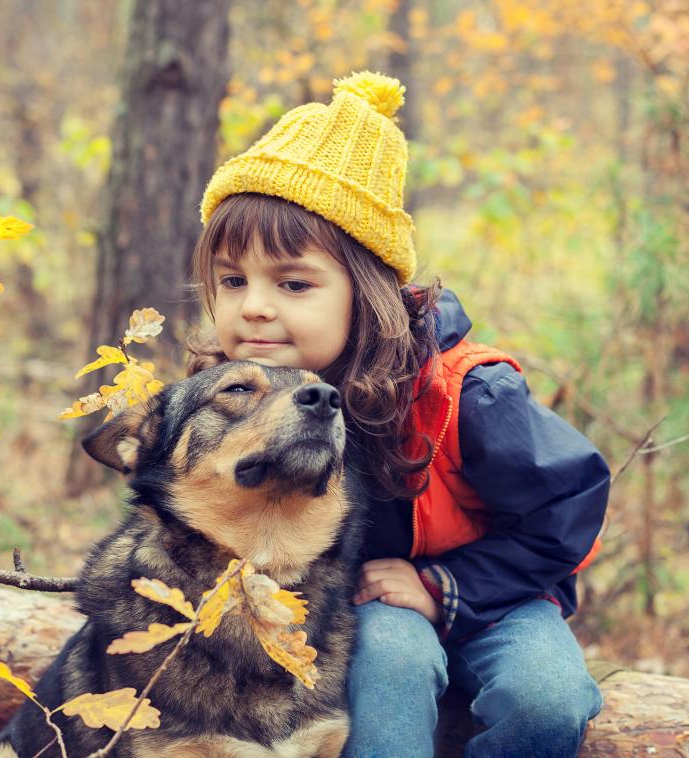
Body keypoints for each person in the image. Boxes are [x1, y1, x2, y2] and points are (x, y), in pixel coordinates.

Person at [185, 71, 608, 757]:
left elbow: (571, 504)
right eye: (233, 281)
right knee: (390, 666)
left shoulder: (466, 393)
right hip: (367, 607)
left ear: (369, 288)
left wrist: (446, 586)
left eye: (293, 283)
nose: (254, 306)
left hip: (498, 596)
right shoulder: (235, 398)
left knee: (545, 700)